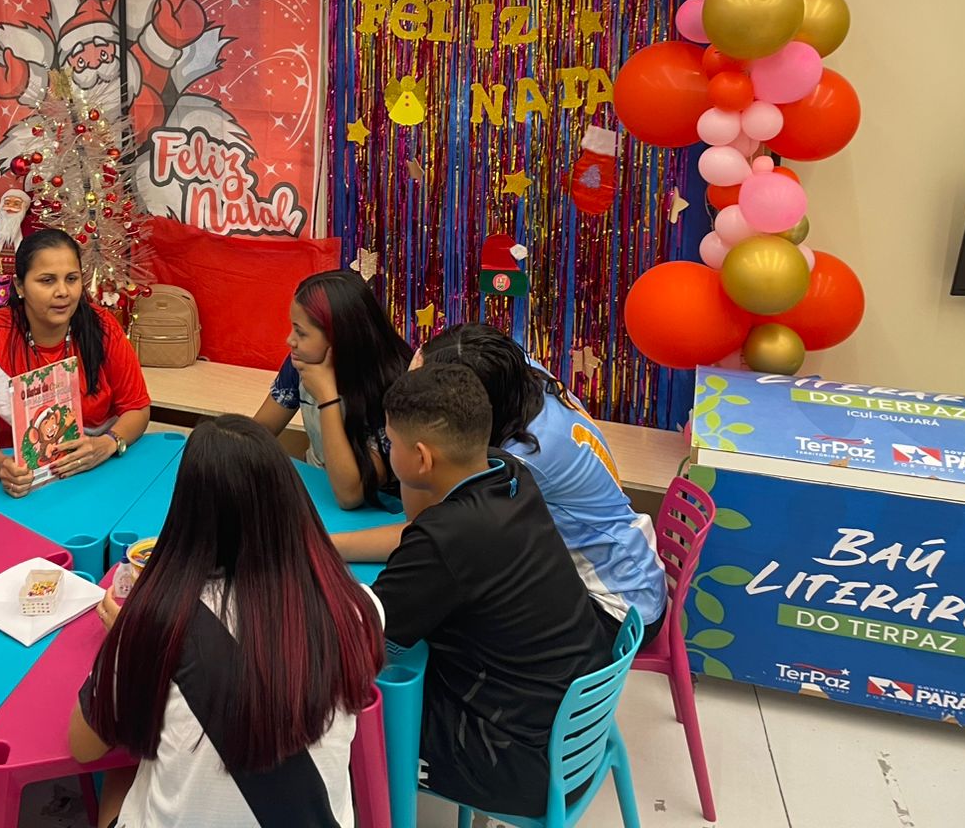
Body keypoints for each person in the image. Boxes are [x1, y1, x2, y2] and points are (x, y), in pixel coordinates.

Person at [67, 415, 385, 828]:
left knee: (121, 772)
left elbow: (83, 746)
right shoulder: (359, 607)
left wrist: (125, 641)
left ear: (187, 515)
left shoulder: (155, 623)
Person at [371, 365, 614, 819]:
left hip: (521, 765)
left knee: (354, 718)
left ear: (422, 458)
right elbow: (423, 528)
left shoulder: (446, 539)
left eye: (390, 442)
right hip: (574, 731)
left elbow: (367, 631)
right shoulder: (509, 472)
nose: (387, 451)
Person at [336, 324, 667, 639]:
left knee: (442, 614)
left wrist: (329, 546)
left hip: (615, 609)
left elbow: (425, 526)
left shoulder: (518, 462)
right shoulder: (522, 374)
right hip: (633, 567)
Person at [0, 228, 151, 497]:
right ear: (20, 286)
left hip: (96, 472)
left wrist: (108, 443)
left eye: (72, 279)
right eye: (47, 280)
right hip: (23, 485)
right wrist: (1, 466)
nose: (63, 292)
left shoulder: (103, 327)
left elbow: (138, 409)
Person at [251, 270, 412, 509]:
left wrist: (327, 397)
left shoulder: (396, 386)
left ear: (339, 339)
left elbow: (350, 495)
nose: (290, 340)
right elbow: (259, 432)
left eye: (301, 332)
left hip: (381, 508)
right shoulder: (301, 362)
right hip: (319, 488)